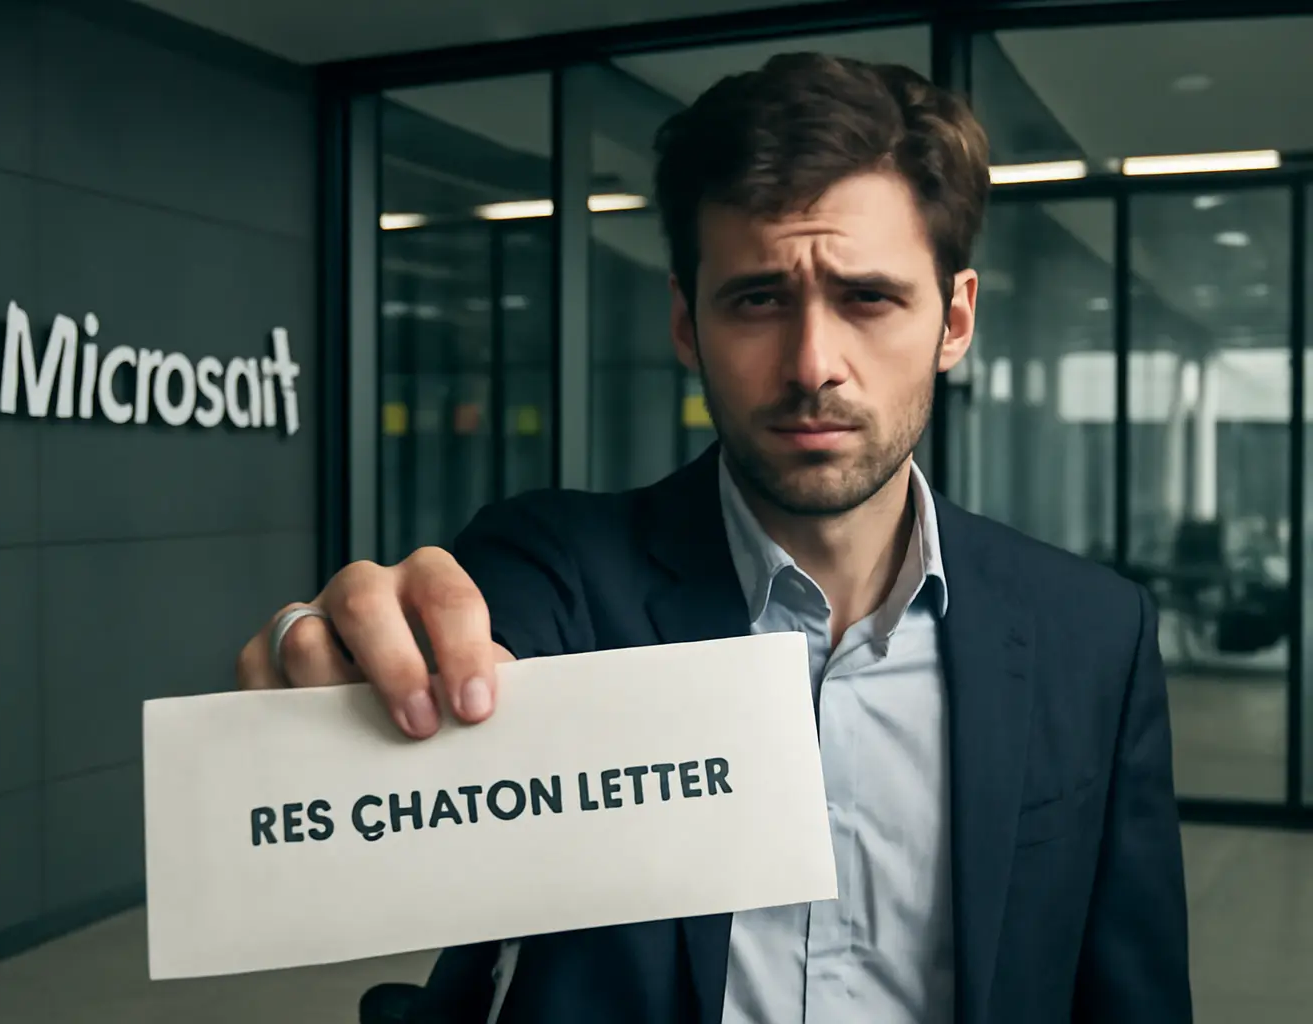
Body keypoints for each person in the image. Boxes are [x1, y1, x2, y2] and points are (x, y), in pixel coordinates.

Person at [236, 51, 1191, 1024]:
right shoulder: (561, 571)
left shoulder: (1092, 634)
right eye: (759, 299)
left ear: (953, 320)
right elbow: (460, 640)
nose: (815, 364)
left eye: (867, 297)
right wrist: (343, 664)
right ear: (688, 325)